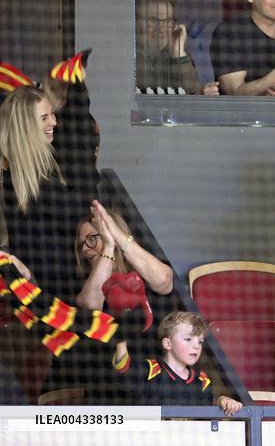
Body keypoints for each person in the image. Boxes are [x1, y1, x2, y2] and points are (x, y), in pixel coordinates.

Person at [0, 50, 100, 300]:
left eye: (52, 114)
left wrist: (75, 86)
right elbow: (80, 206)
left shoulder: (41, 163)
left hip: (59, 285)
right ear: (26, 127)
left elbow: (80, 136)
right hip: (49, 295)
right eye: (44, 118)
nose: (54, 122)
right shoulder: (24, 176)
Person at [70, 200, 176, 402]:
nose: (85, 249)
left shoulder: (142, 273)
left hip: (154, 390)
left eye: (92, 239)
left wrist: (117, 236)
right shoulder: (83, 285)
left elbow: (164, 281)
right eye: (81, 244)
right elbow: (91, 305)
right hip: (107, 395)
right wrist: (108, 247)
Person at [113, 311, 242, 414]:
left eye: (200, 341)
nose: (196, 346)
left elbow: (208, 406)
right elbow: (123, 367)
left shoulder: (202, 381)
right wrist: (121, 340)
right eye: (188, 339)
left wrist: (222, 400)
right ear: (168, 344)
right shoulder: (150, 370)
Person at [136, 0, 219, 95]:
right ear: (138, 22)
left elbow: (194, 94)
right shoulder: (130, 54)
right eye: (153, 20)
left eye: (167, 20)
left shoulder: (177, 55)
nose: (161, 27)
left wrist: (179, 54)